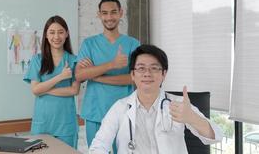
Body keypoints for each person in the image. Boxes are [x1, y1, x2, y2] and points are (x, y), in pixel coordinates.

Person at [89, 44, 223, 154]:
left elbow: (215, 136)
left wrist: (192, 118)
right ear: (133, 74)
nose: (147, 73)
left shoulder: (179, 105)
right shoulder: (120, 107)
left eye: (154, 68)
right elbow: (99, 145)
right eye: (141, 68)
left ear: (164, 74)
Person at [75, 0, 140, 149]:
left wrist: (95, 75)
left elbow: (134, 78)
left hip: (124, 112)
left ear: (121, 13)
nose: (109, 17)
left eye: (113, 12)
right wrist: (112, 64)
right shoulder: (89, 44)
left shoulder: (133, 44)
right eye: (104, 13)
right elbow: (79, 75)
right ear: (99, 15)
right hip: (95, 111)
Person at [23, 15, 80, 148]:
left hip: (66, 125)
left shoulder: (74, 60)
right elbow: (35, 90)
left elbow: (74, 90)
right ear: (46, 36)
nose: (56, 37)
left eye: (60, 32)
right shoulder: (38, 60)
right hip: (42, 124)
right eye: (52, 32)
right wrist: (60, 77)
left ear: (67, 34)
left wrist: (45, 89)